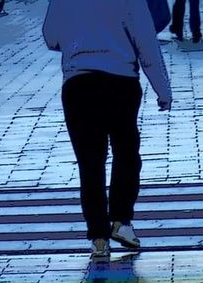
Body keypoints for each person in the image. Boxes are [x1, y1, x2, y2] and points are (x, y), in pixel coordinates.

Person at [43, 0, 172, 259]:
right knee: (126, 154)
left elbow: (51, 38)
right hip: (121, 83)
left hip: (78, 85)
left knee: (90, 163)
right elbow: (146, 43)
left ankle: (98, 238)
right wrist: (163, 89)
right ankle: (121, 222)